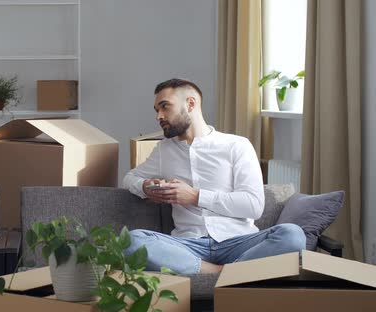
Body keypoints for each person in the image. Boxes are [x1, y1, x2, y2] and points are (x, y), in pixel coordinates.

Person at [123, 78, 305, 274]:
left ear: (190, 103)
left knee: (292, 235)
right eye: (156, 110)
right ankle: (223, 272)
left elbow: (253, 206)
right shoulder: (163, 150)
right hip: (189, 246)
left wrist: (195, 196)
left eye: (165, 106)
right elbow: (128, 179)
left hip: (239, 242)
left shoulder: (237, 145)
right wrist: (145, 186)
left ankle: (210, 271)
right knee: (131, 240)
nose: (159, 116)